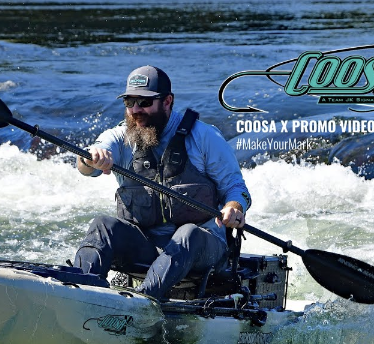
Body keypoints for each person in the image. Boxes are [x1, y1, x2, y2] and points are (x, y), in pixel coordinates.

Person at [73, 65, 251, 300]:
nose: (135, 110)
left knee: (187, 234)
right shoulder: (120, 137)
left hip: (203, 246)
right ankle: (79, 294)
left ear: (168, 101)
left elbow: (236, 189)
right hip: (146, 244)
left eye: (144, 102)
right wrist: (92, 158)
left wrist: (234, 207)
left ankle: (140, 303)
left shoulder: (205, 137)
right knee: (102, 226)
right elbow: (87, 163)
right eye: (129, 102)